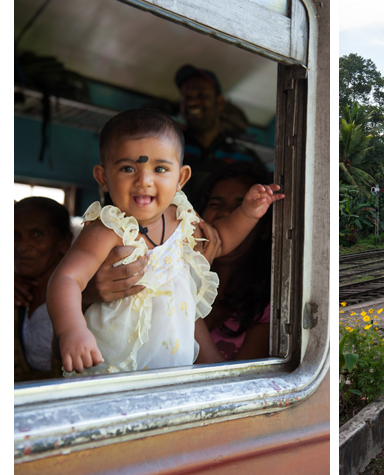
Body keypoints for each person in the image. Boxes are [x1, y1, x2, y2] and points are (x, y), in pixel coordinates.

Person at [46, 109, 284, 375]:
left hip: (172, 372)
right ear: (103, 178)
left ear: (181, 178)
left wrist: (248, 213)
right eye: (128, 168)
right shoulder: (108, 230)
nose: (144, 181)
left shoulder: (182, 219)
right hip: (112, 370)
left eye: (160, 169)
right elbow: (66, 279)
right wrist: (72, 329)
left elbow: (221, 238)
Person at [193, 162, 273, 361]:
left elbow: (228, 386)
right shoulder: (169, 265)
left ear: (264, 229)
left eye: (241, 207)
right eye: (215, 204)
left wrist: (180, 295)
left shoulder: (269, 311)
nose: (225, 213)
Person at [174, 64, 263, 200]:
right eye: (187, 97)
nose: (193, 103)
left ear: (220, 102)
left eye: (202, 95)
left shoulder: (246, 158)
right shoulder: (171, 148)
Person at [14, 197, 73, 379]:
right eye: (14, 235)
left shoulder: (80, 299)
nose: (22, 247)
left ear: (64, 242)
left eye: (37, 234)